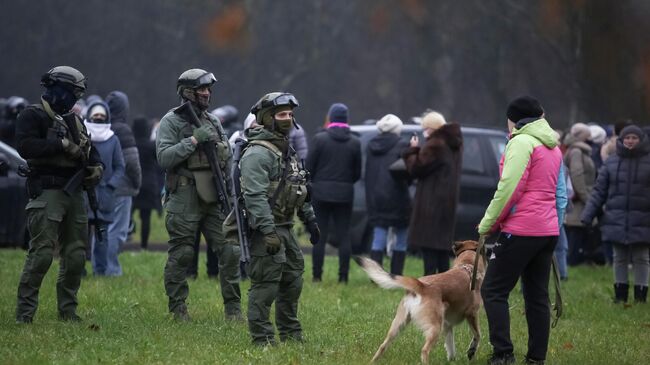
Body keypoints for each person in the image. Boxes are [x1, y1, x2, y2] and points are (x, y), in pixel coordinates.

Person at [478, 96, 566, 365]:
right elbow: (560, 195)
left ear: (514, 119)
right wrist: (553, 226)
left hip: (521, 230)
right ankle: (536, 358)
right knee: (537, 295)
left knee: (493, 290)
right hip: (547, 232)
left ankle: (503, 354)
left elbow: (508, 189)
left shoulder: (521, 142)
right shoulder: (553, 146)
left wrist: (487, 225)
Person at [15, 66, 103, 323]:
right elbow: (25, 146)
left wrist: (97, 168)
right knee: (42, 254)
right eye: (72, 93)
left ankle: (68, 311)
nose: (75, 99)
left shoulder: (74, 120)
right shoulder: (32, 115)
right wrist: (61, 145)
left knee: (76, 256)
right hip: (47, 191)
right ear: (57, 89)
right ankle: (25, 313)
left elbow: (90, 151)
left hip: (74, 192)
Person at [156, 68, 241, 321]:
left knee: (230, 251)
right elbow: (163, 158)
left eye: (208, 89)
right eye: (202, 89)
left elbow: (226, 156)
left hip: (213, 195)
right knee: (182, 254)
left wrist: (221, 149)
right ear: (187, 93)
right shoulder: (171, 121)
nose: (207, 93)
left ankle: (234, 310)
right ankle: (178, 308)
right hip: (184, 196)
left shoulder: (213, 121)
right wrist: (192, 141)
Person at [239, 92, 320, 345]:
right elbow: (254, 197)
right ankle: (261, 339)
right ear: (267, 118)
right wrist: (267, 231)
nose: (288, 119)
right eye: (282, 115)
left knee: (292, 281)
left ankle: (291, 334)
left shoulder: (287, 150)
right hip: (266, 230)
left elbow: (298, 187)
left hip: (285, 227)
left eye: (290, 115)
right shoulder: (257, 154)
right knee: (265, 286)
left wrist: (310, 219)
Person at [581, 125, 650, 303]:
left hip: (643, 219)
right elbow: (599, 192)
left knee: (641, 258)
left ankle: (640, 296)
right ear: (621, 139)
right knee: (619, 257)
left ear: (641, 140)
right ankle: (620, 295)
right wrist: (588, 215)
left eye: (634, 137)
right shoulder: (611, 162)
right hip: (616, 218)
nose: (630, 141)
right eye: (627, 138)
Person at [402, 111, 462, 275]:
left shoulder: (435, 144)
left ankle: (430, 289)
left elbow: (416, 168)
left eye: (425, 128)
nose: (424, 132)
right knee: (442, 252)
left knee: (429, 251)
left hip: (431, 205)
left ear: (430, 128)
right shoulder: (454, 144)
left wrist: (412, 151)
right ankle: (447, 289)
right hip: (446, 204)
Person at [307, 102, 361, 283]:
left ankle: (316, 276)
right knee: (344, 235)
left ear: (330, 118)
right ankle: (343, 277)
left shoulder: (319, 139)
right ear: (346, 120)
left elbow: (309, 168)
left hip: (321, 193)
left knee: (319, 235)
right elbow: (357, 173)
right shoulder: (355, 142)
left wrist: (317, 183)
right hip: (345, 194)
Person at [365, 114, 411, 274]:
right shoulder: (403, 145)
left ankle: (376, 275)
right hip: (398, 196)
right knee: (401, 237)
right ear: (397, 129)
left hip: (376, 197)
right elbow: (408, 172)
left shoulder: (371, 145)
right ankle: (396, 275)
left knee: (379, 236)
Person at [83, 101, 125, 275]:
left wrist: (110, 186)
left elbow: (120, 166)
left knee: (102, 236)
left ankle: (100, 271)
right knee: (80, 235)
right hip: (84, 193)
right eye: (95, 115)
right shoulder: (83, 135)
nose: (98, 118)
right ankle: (78, 270)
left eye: (101, 115)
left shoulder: (113, 139)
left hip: (105, 196)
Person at [105, 91, 142, 275]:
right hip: (123, 187)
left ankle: (100, 267)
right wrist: (137, 183)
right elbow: (132, 162)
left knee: (102, 229)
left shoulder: (102, 126)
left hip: (104, 187)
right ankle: (111, 270)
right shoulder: (123, 129)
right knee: (117, 231)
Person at [563, 122, 596, 266]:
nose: (590, 138)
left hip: (581, 196)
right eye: (587, 135)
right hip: (579, 199)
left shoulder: (578, 150)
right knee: (575, 229)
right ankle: (572, 262)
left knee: (577, 230)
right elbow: (577, 175)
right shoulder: (576, 151)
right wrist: (586, 197)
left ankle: (573, 261)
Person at [132, 116, 162, 250]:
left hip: (134, 183)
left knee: (128, 213)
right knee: (146, 217)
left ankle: (127, 237)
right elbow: (160, 163)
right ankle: (144, 246)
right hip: (150, 184)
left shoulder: (132, 144)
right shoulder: (151, 146)